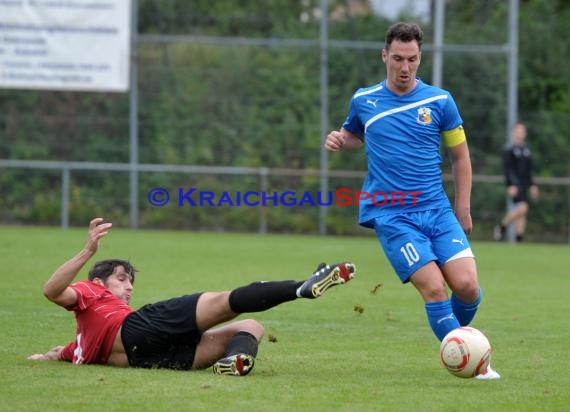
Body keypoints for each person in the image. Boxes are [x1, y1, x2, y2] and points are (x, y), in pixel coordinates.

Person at [324, 22, 499, 379]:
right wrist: (342, 140)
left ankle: (455, 344)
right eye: (398, 59)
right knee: (435, 289)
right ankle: (471, 361)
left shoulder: (440, 101)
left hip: (436, 209)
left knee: (466, 287)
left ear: (421, 58)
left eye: (413, 59)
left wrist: (462, 206)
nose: (405, 68)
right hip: (391, 214)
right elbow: (355, 134)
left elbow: (461, 158)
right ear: (384, 56)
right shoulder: (364, 99)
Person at [28, 217, 356, 376]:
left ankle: (235, 361)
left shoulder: (80, 346)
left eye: (130, 282)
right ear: (98, 282)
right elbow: (51, 291)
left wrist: (49, 356)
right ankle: (301, 286)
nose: (128, 287)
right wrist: (88, 250)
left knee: (253, 326)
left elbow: (59, 353)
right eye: (121, 279)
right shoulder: (92, 291)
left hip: (156, 358)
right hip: (138, 331)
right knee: (224, 302)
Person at [494, 121, 539, 242]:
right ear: (513, 133)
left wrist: (533, 185)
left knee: (522, 213)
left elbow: (529, 171)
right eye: (517, 131)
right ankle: (501, 227)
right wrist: (511, 185)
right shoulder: (509, 150)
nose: (520, 134)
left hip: (524, 185)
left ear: (525, 133)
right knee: (523, 208)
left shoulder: (526, 151)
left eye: (522, 131)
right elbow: (508, 170)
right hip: (515, 185)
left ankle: (519, 239)